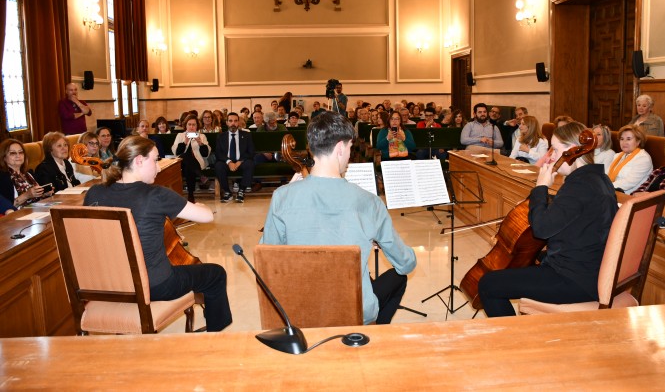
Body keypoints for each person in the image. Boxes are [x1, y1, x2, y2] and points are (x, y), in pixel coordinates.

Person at [261, 112, 416, 324]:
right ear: (340, 148)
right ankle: (373, 333)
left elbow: (267, 258)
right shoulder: (369, 202)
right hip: (353, 310)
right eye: (351, 148)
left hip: (301, 308)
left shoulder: (282, 196)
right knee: (398, 276)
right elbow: (405, 264)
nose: (350, 154)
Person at [83, 136, 232, 332]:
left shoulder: (94, 193)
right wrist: (200, 205)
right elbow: (206, 217)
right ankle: (216, 336)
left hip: (108, 285)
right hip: (155, 286)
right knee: (216, 274)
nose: (159, 167)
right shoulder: (156, 195)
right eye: (155, 159)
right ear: (139, 160)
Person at [478, 122, 618, 317]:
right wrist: (546, 200)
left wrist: (540, 188)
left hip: (574, 278)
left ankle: (512, 341)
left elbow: (541, 229)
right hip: (590, 266)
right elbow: (574, 211)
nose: (551, 155)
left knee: (488, 284)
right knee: (530, 259)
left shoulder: (577, 186)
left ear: (572, 150)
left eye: (555, 149)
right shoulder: (598, 179)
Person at [215, 112, 256, 203]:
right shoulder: (221, 136)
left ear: (238, 122)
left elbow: (251, 152)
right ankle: (227, 192)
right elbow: (218, 153)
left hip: (241, 161)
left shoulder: (246, 135)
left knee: (250, 163)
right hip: (227, 162)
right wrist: (229, 162)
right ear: (226, 123)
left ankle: (241, 191)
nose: (233, 123)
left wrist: (240, 161)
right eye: (230, 121)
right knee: (218, 165)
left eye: (235, 121)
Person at [0, 139, 50, 208]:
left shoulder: (28, 174)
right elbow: (6, 208)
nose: (18, 156)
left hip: (37, 210)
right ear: (4, 157)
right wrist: (27, 195)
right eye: (13, 153)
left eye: (21, 152)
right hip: (19, 214)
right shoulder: (3, 178)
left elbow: (35, 197)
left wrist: (44, 194)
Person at [172, 115, 210, 203]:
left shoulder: (202, 136)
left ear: (197, 126)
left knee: (188, 168)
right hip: (181, 163)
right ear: (186, 125)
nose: (192, 127)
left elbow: (205, 154)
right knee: (185, 156)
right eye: (189, 124)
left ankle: (190, 195)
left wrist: (200, 142)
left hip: (196, 164)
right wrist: (185, 141)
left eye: (194, 125)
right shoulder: (180, 135)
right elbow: (177, 153)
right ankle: (201, 176)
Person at [607, 124, 653, 194]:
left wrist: (605, 186)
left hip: (627, 196)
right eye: (622, 139)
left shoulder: (643, 158)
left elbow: (629, 182)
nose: (624, 142)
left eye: (628, 139)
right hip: (610, 191)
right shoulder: (617, 155)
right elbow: (606, 174)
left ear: (638, 141)